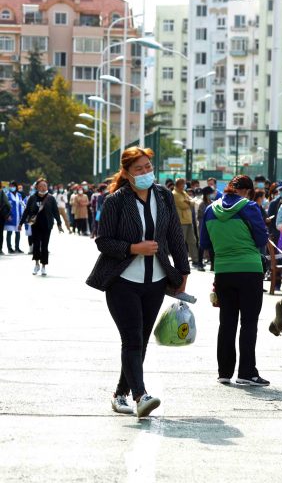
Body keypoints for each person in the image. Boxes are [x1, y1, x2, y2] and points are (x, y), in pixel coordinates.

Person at [86, 147, 190, 419]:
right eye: (138, 169)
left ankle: (120, 393)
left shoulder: (164, 196)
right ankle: (140, 396)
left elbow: (176, 237)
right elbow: (103, 241)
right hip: (122, 281)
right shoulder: (116, 201)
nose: (145, 172)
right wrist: (134, 247)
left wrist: (183, 274)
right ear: (127, 173)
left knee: (140, 342)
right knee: (132, 339)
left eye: (147, 167)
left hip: (156, 281)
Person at [199, 175, 269, 387]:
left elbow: (204, 242)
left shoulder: (210, 209)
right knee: (249, 323)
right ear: (247, 190)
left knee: (227, 322)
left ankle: (224, 372)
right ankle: (247, 372)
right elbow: (261, 238)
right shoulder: (249, 207)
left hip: (223, 270)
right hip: (249, 269)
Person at [19, 178, 63, 275]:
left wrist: (59, 224)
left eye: (45, 185)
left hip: (47, 226)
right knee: (36, 245)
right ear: (37, 187)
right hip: (35, 225)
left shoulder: (51, 198)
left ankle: (43, 266)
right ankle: (36, 264)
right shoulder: (32, 198)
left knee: (44, 246)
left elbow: (55, 212)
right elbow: (26, 211)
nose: (43, 187)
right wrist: (21, 223)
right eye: (41, 185)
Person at [172, 178, 201, 271]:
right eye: (183, 184)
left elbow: (192, 202)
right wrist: (189, 202)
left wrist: (189, 202)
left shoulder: (183, 192)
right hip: (181, 221)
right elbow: (183, 205)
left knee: (192, 240)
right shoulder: (175, 194)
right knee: (181, 242)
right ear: (179, 184)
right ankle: (180, 260)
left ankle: (195, 259)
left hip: (188, 220)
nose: (185, 185)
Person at [197, 186, 216, 271]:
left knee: (211, 246)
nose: (212, 194)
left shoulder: (212, 203)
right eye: (211, 193)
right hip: (203, 227)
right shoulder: (202, 204)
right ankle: (200, 264)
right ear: (207, 194)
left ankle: (213, 264)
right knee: (202, 245)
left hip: (211, 227)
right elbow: (200, 217)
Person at [4, 181, 25, 253]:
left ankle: (17, 248)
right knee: (9, 232)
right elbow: (5, 206)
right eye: (10, 186)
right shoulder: (7, 195)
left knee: (18, 232)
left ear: (16, 187)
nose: (11, 187)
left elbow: (22, 205)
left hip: (18, 217)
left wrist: (22, 215)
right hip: (10, 217)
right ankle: (9, 248)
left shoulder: (19, 195)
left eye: (13, 186)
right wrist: (7, 215)